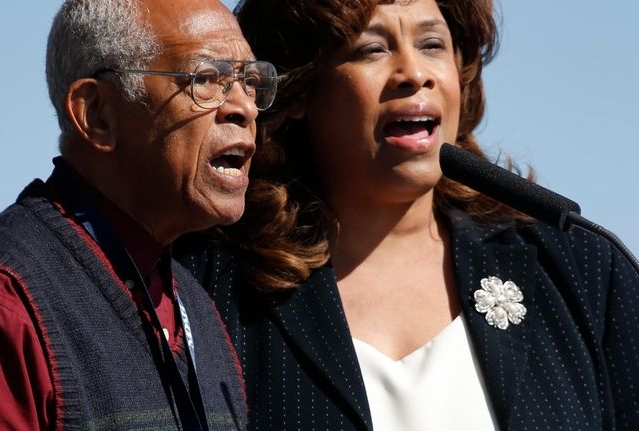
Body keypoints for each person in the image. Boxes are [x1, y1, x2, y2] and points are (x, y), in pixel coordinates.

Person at [176, 0, 639, 429]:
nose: (414, 73)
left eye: (432, 44)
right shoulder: (209, 282)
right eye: (372, 49)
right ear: (299, 88)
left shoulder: (582, 268)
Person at [0, 0, 279, 429]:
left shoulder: (196, 312)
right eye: (206, 79)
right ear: (96, 114)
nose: (245, 108)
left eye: (250, 82)